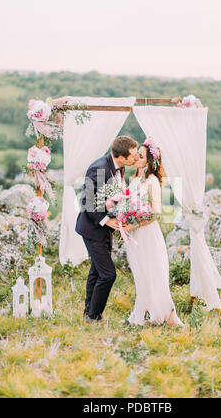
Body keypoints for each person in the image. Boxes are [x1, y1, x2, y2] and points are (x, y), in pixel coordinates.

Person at [76, 135, 139, 322]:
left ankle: (89, 312)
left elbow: (112, 196)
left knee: (96, 271)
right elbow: (86, 201)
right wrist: (105, 220)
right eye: (133, 155)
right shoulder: (99, 168)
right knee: (108, 274)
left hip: (105, 229)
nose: (135, 158)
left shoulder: (119, 168)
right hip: (92, 228)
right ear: (121, 157)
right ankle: (94, 316)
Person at [123, 139, 184, 327]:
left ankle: (150, 315)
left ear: (149, 162)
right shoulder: (134, 180)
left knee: (150, 273)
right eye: (136, 154)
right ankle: (139, 314)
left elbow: (156, 213)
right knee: (139, 273)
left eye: (140, 156)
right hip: (134, 233)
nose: (135, 158)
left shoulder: (152, 181)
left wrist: (134, 225)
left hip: (146, 233)